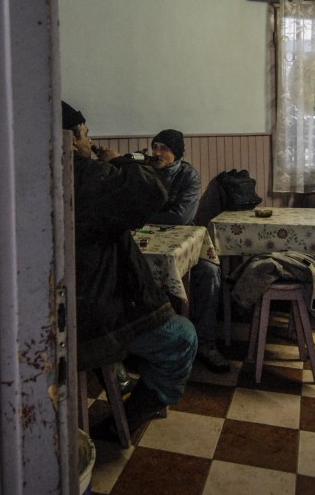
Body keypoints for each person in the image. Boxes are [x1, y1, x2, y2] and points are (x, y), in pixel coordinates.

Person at [63, 102, 197, 439]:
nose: (88, 142)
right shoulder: (82, 174)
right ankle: (127, 417)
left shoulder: (188, 174)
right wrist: (119, 162)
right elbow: (149, 194)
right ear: (70, 138)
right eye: (85, 135)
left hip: (69, 306)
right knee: (182, 338)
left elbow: (178, 214)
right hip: (94, 315)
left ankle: (121, 371)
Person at [143, 129, 230, 373]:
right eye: (155, 147)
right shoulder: (144, 171)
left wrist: (145, 216)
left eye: (164, 148)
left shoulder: (188, 175)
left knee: (209, 272)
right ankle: (147, 344)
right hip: (148, 241)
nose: (157, 153)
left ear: (177, 153)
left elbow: (182, 217)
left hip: (186, 240)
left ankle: (206, 342)